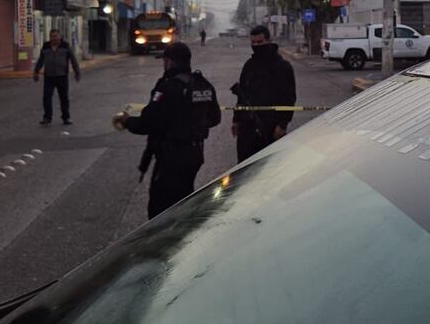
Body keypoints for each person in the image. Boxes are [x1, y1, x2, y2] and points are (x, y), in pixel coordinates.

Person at [112, 43, 221, 219]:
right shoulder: (203, 85)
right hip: (195, 154)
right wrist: (192, 125)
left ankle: (167, 244)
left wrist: (127, 121)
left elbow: (148, 123)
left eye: (164, 60)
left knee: (160, 210)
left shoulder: (168, 87)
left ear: (169, 62)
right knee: (185, 200)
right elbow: (215, 118)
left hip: (171, 157)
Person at [231, 25, 296, 162]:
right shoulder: (249, 65)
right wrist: (236, 120)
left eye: (260, 42)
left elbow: (289, 98)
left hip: (270, 128)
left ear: (269, 40)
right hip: (247, 128)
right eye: (253, 43)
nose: (256, 46)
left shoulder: (282, 67)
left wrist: (282, 124)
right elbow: (242, 94)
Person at [33, 29, 81, 125]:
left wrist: (77, 72)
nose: (54, 38)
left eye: (56, 36)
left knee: (64, 98)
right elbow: (41, 60)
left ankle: (66, 117)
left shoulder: (65, 46)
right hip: (49, 76)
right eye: (52, 36)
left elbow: (73, 59)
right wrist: (36, 72)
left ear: (60, 37)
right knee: (46, 97)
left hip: (62, 76)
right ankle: (47, 117)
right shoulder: (46, 46)